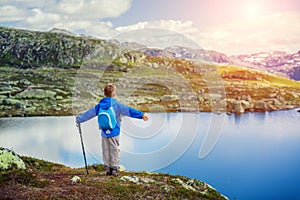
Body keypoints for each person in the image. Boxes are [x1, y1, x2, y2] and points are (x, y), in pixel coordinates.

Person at [76, 84, 148, 176]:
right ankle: (114, 168)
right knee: (114, 149)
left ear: (104, 94)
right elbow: (129, 111)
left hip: (104, 131)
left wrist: (79, 120)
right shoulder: (116, 105)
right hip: (114, 131)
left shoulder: (100, 105)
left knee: (106, 149)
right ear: (114, 94)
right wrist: (141, 115)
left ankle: (107, 169)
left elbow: (89, 113)